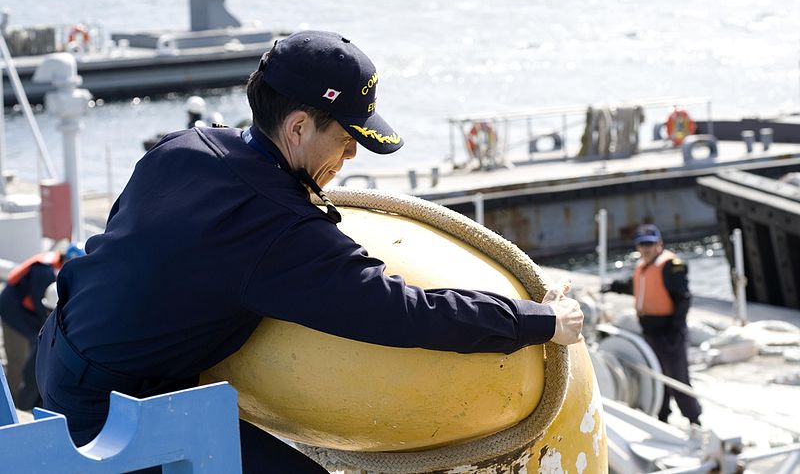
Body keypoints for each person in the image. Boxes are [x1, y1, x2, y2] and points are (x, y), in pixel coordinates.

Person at [36, 30, 584, 473]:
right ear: (298, 127)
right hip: (113, 411)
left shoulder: (186, 147)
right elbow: (401, 312)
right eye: (345, 140)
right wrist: (540, 322)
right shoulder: (277, 228)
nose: (347, 158)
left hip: (60, 347)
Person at [602, 224, 702, 427]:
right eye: (642, 245)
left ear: (659, 244)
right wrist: (613, 286)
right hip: (650, 332)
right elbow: (637, 287)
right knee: (658, 375)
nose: (646, 248)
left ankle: (694, 419)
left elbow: (683, 299)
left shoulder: (671, 266)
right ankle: (662, 415)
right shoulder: (643, 266)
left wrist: (675, 328)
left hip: (669, 331)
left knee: (677, 377)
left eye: (650, 244)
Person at [0, 243, 85, 410]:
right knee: (18, 356)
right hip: (12, 310)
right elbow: (43, 310)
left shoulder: (56, 271)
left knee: (34, 348)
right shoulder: (44, 272)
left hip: (28, 310)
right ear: (65, 260)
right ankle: (14, 405)